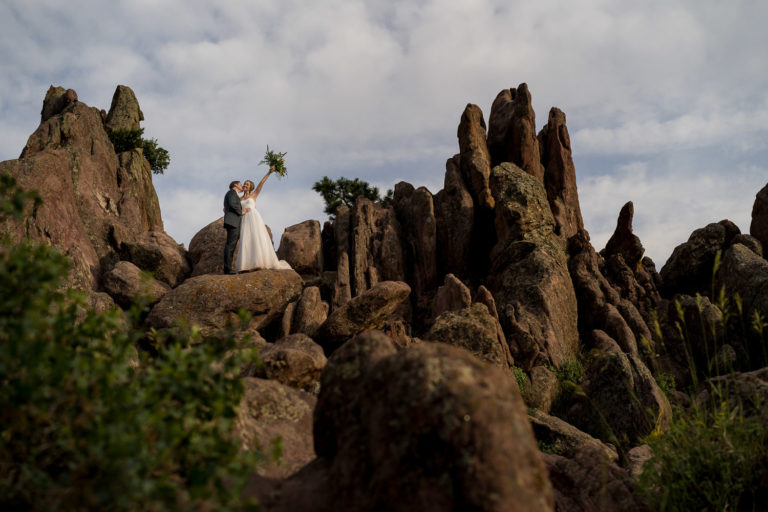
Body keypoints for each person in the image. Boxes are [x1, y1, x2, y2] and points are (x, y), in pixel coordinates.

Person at [234, 170, 292, 272]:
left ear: (251, 187)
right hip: (245, 220)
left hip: (254, 217)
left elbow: (262, 183)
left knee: (257, 238)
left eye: (247, 184)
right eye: (244, 184)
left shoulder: (254, 195)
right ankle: (246, 264)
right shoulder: (239, 199)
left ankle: (259, 262)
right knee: (246, 239)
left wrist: (269, 172)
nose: (245, 185)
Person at [222, 180, 250, 274]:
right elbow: (232, 204)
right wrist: (242, 212)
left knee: (232, 246)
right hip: (233, 222)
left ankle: (229, 268)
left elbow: (228, 206)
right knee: (230, 246)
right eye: (240, 184)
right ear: (235, 185)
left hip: (235, 222)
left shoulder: (234, 194)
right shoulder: (231, 192)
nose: (242, 186)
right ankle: (227, 269)